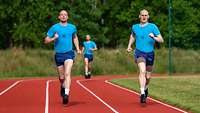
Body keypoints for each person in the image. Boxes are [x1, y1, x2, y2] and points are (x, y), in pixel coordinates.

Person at [127, 9, 164, 103]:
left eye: (146, 15)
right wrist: (129, 46)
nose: (144, 17)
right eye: (142, 15)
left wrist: (154, 37)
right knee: (142, 71)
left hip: (150, 53)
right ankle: (142, 93)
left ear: (148, 17)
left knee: (148, 76)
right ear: (139, 16)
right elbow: (133, 36)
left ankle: (146, 88)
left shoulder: (153, 27)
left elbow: (161, 40)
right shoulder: (134, 27)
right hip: (139, 52)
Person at [44, 10, 81, 104]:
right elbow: (46, 40)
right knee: (61, 77)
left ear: (68, 17)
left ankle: (66, 94)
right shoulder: (54, 27)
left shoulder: (72, 27)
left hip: (69, 53)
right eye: (62, 15)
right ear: (59, 17)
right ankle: (63, 86)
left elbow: (75, 37)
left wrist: (77, 48)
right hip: (59, 55)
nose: (64, 16)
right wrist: (53, 38)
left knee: (68, 73)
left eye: (65, 15)